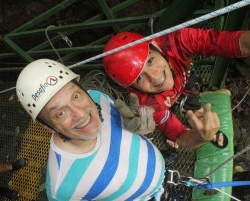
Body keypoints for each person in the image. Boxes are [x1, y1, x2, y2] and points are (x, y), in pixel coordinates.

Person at [16, 59, 165, 200]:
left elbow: (123, 134)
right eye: (61, 113)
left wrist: (139, 129)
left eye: (76, 96)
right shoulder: (62, 189)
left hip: (159, 167)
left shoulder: (97, 97)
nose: (80, 114)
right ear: (47, 126)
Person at [102, 28, 250, 149]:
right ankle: (202, 130)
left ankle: (197, 115)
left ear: (157, 47)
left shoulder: (177, 43)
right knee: (169, 128)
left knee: (193, 101)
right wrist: (200, 138)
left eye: (150, 60)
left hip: (184, 81)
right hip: (167, 96)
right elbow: (181, 137)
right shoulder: (148, 104)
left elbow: (233, 43)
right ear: (132, 88)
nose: (154, 77)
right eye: (139, 78)